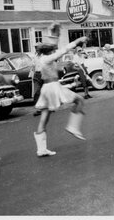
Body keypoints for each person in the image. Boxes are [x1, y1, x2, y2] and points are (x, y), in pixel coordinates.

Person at [33, 23, 87, 157]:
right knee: (79, 100)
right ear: (50, 51)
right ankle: (73, 126)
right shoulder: (47, 58)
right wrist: (78, 41)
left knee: (44, 118)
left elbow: (55, 46)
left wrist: (55, 32)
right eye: (53, 49)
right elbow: (62, 50)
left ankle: (41, 149)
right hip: (53, 87)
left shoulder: (42, 57)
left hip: (46, 89)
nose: (54, 50)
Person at [30, 43, 44, 116]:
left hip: (44, 74)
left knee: (45, 91)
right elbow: (32, 67)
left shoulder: (44, 56)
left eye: (38, 48)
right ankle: (39, 109)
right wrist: (32, 75)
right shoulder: (34, 56)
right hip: (36, 75)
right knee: (36, 92)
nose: (36, 49)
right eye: (35, 48)